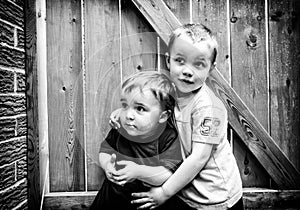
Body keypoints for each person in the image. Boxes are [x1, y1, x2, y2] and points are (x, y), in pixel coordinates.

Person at [111, 23, 244, 210]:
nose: (187, 71)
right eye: (180, 61)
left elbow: (198, 158)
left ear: (211, 68)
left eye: (198, 64)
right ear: (168, 61)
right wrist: (121, 114)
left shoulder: (209, 108)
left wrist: (164, 192)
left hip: (215, 198)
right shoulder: (168, 92)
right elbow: (145, 108)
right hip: (183, 189)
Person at [90, 71, 194, 210]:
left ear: (163, 116)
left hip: (145, 200)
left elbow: (167, 174)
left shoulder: (168, 137)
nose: (128, 115)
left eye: (140, 108)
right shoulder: (120, 128)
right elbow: (105, 151)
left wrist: (138, 171)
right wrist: (107, 165)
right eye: (125, 106)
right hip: (113, 197)